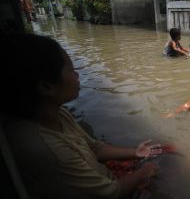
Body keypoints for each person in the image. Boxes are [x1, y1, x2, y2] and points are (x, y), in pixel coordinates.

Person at [0, 33, 162, 199]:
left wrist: (135, 152)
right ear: (46, 87)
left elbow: (94, 147)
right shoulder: (47, 149)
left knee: (161, 150)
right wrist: (144, 172)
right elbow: (112, 193)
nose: (77, 76)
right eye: (71, 70)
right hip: (108, 189)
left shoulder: (58, 114)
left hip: (102, 178)